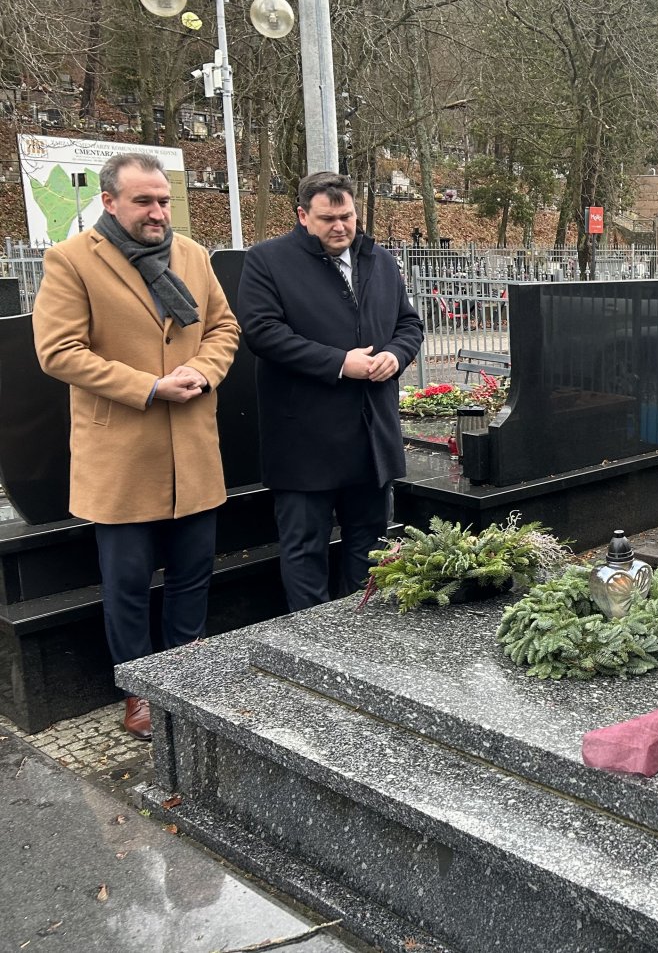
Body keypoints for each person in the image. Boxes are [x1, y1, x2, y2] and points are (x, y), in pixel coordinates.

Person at [32, 152, 240, 741]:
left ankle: (186, 677)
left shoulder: (193, 255)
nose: (158, 211)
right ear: (110, 202)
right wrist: (148, 387)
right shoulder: (71, 261)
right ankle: (140, 691)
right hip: (122, 453)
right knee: (126, 583)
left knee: (193, 573)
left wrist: (203, 370)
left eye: (164, 200)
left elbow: (224, 327)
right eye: (144, 201)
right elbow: (59, 351)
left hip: (193, 447)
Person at [238, 172, 423, 611]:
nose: (340, 227)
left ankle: (359, 634)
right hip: (305, 439)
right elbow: (263, 333)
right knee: (305, 548)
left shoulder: (377, 260)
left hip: (370, 435)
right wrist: (341, 363)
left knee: (369, 543)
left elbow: (408, 323)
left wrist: (395, 357)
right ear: (302, 216)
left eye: (347, 216)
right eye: (327, 219)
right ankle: (312, 639)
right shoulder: (268, 261)